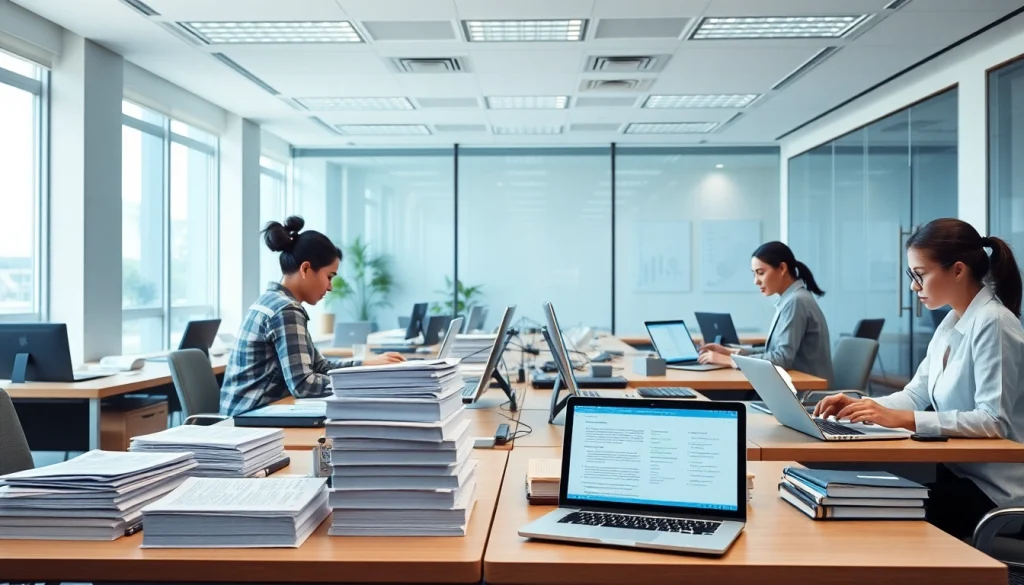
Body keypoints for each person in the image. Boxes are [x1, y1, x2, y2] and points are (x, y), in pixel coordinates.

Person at [815, 218, 1024, 539]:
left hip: (996, 491)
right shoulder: (953, 321)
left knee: (866, 514)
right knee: (855, 501)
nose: (914, 286)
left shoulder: (993, 323)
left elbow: (993, 421)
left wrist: (905, 419)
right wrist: (861, 407)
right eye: (911, 275)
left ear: (957, 270)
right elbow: (915, 395)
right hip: (959, 474)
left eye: (920, 275)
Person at [220, 216, 405, 416]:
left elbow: (319, 366)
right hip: (247, 420)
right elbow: (304, 385)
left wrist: (367, 366)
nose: (330, 287)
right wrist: (365, 382)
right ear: (306, 268)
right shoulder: (285, 310)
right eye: (329, 277)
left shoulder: (274, 300)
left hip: (250, 413)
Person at [697, 241, 834, 387]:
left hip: (805, 393)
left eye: (761, 273)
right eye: (754, 274)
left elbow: (781, 359)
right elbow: (774, 351)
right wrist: (731, 352)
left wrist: (728, 360)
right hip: (793, 385)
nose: (756, 281)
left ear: (782, 268)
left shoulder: (796, 301)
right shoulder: (792, 299)